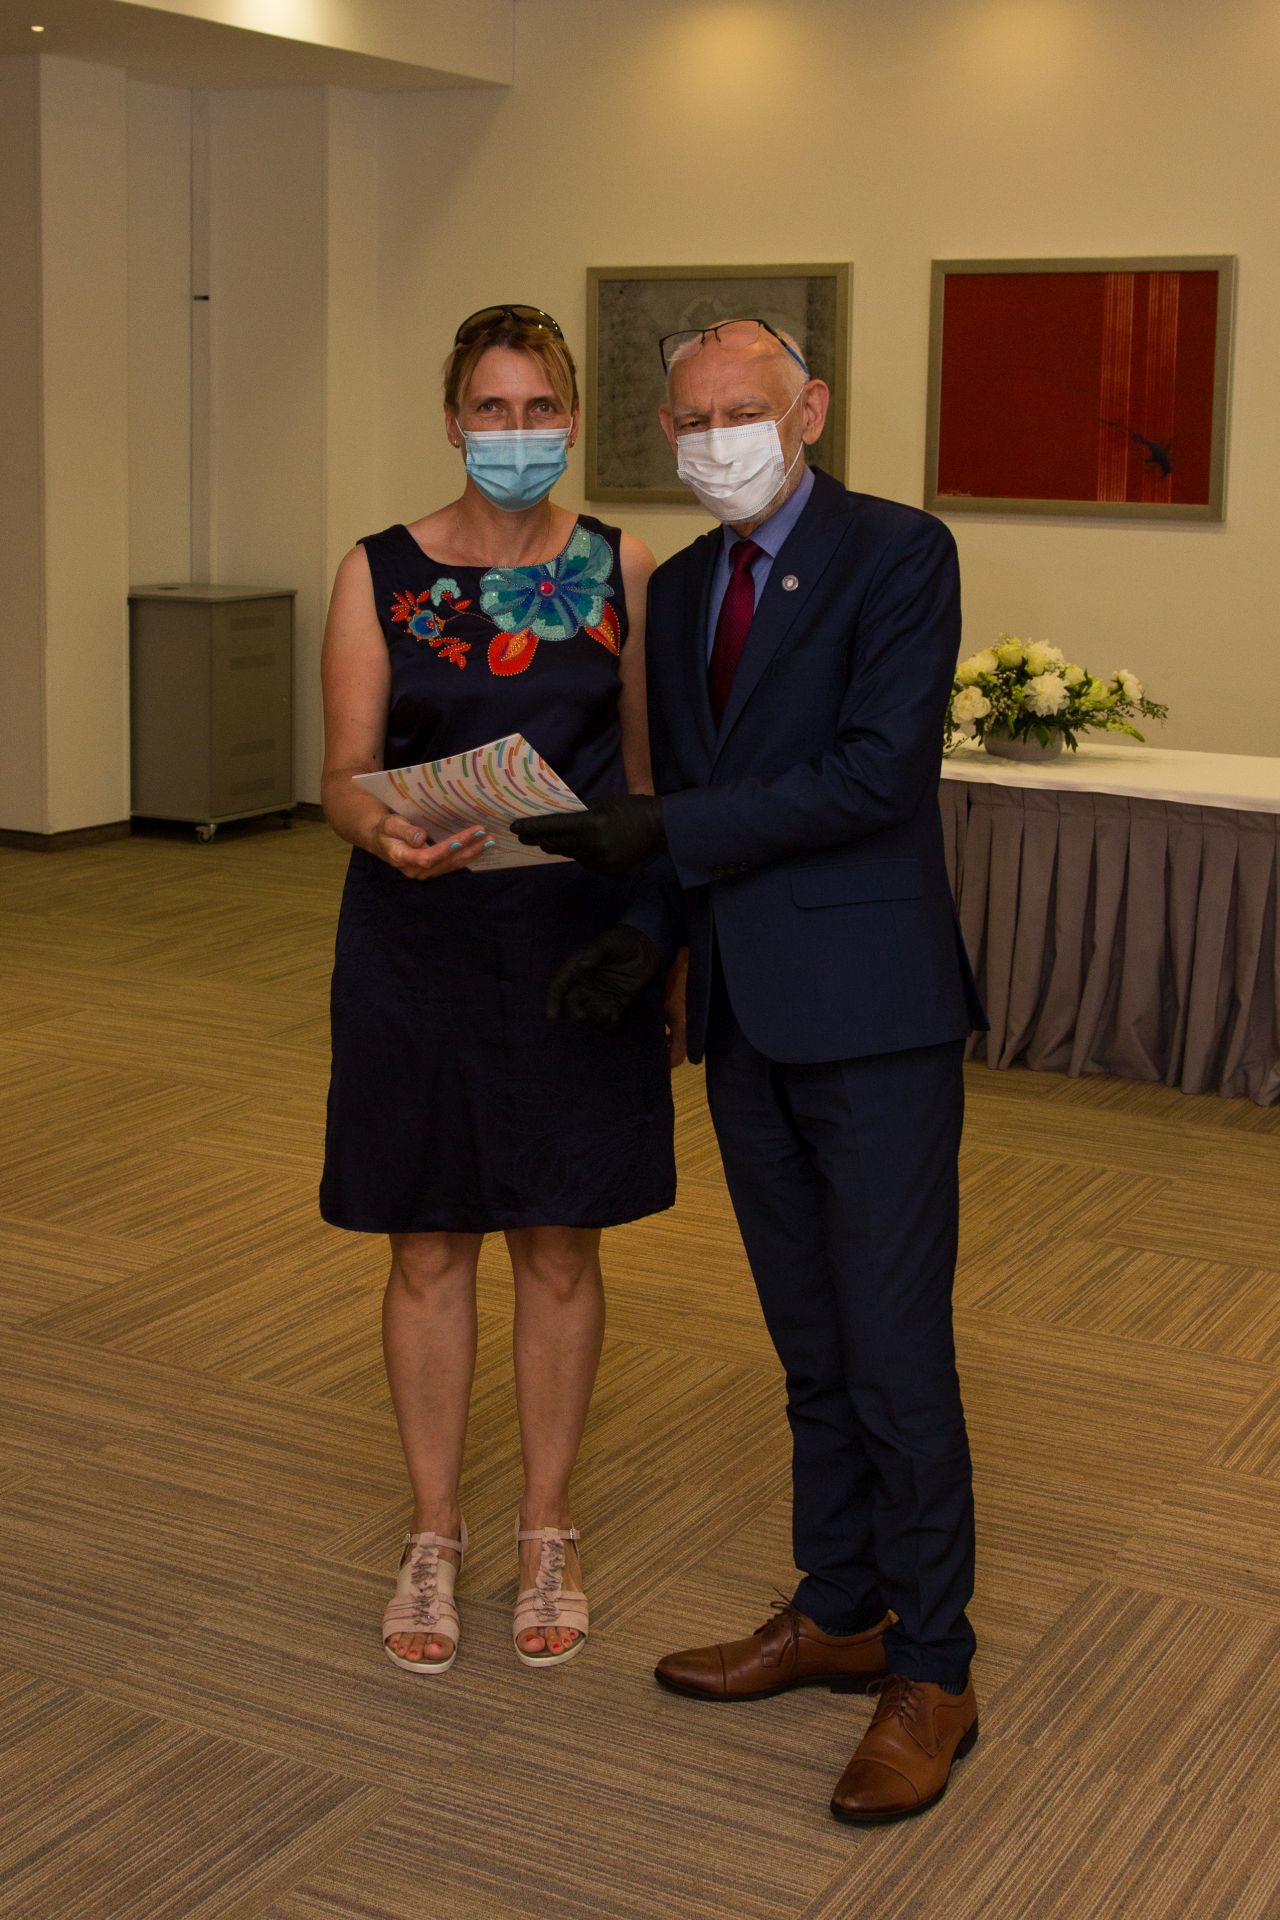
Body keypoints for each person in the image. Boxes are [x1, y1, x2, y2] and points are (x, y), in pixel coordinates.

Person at [514, 317, 987, 1821]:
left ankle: (935, 1667)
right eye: (695, 419)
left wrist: (664, 835)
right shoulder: (682, 590)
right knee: (810, 1345)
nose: (719, 438)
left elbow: (875, 775)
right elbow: (696, 795)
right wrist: (641, 932)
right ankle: (840, 1607)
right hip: (744, 1014)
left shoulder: (898, 554)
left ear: (812, 409)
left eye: (747, 410)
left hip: (875, 1015)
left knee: (895, 1353)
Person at [318, 304, 676, 1678]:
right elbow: (344, 770)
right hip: (416, 940)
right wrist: (382, 831)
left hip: (574, 945)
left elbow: (643, 781)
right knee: (425, 1241)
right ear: (453, 418)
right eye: (491, 408)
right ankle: (432, 1532)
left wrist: (658, 941)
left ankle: (546, 1528)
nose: (514, 433)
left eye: (538, 410)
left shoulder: (621, 565)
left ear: (570, 420)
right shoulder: (380, 569)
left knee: (561, 1241)